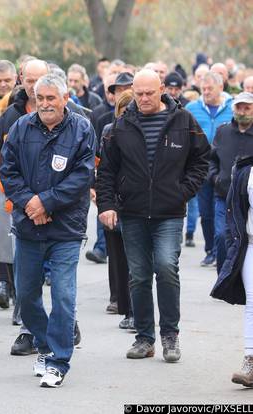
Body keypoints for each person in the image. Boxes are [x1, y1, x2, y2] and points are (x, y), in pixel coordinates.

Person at [97, 69, 209, 362]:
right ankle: (144, 338)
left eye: (149, 92)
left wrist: (182, 191)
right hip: (132, 212)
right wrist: (107, 205)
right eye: (138, 93)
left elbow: (201, 160)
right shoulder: (121, 125)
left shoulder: (184, 121)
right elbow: (107, 171)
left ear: (162, 89)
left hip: (169, 212)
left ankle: (170, 335)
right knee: (139, 275)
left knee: (166, 267)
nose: (144, 99)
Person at [0, 73, 96, 387]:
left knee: (64, 296)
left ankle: (58, 360)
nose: (44, 104)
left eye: (51, 98)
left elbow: (82, 175)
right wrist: (30, 203)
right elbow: (8, 169)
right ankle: (44, 343)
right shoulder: (20, 127)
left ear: (65, 99)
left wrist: (47, 202)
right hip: (28, 226)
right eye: (40, 99)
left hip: (65, 229)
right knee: (26, 296)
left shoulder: (82, 128)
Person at [0, 59, 49, 354]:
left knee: (58, 269)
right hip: (21, 201)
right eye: (30, 79)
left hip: (56, 203)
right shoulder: (11, 115)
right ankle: (26, 323)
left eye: (41, 79)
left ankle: (65, 321)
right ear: (21, 79)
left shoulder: (68, 113)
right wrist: (8, 188)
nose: (34, 86)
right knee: (25, 264)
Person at [211, 152, 253, 387]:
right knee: (252, 303)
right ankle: (251, 359)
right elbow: (233, 212)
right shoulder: (246, 170)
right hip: (250, 244)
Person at [186, 72, 234, 267]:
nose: (205, 92)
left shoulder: (232, 109)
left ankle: (220, 250)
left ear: (220, 88)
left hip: (224, 170)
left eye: (209, 89)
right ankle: (210, 250)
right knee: (206, 213)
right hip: (201, 168)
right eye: (203, 89)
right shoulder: (191, 109)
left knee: (221, 212)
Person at [98, 89, 136, 330]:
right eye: (123, 110)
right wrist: (105, 203)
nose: (127, 115)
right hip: (115, 202)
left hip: (138, 205)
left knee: (138, 262)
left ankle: (135, 310)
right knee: (118, 259)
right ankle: (122, 304)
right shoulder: (109, 133)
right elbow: (104, 172)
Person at [209, 92, 253, 274]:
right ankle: (224, 276)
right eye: (239, 107)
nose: (242, 111)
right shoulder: (222, 131)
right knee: (221, 236)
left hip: (249, 199)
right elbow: (211, 159)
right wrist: (215, 178)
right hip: (223, 195)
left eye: (247, 107)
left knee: (245, 238)